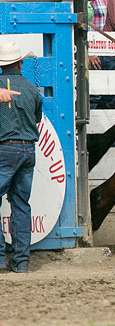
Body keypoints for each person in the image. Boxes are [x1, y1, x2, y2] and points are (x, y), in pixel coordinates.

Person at [0, 42, 43, 273]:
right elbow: (37, 118)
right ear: (20, 63)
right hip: (28, 149)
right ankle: (21, 262)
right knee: (21, 204)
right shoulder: (32, 88)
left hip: (3, 148)